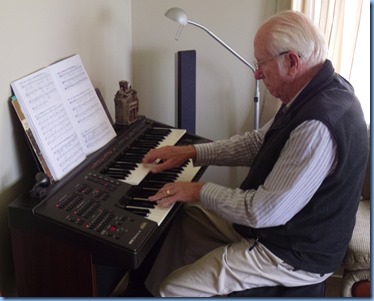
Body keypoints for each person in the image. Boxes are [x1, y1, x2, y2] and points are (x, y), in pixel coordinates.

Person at [141, 10, 368, 297]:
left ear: (293, 62)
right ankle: (144, 290)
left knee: (172, 289)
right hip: (279, 228)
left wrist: (197, 189)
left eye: (261, 63)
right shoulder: (312, 91)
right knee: (188, 219)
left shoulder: (317, 125)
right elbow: (255, 143)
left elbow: (262, 211)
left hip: (290, 252)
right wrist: (191, 152)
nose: (257, 73)